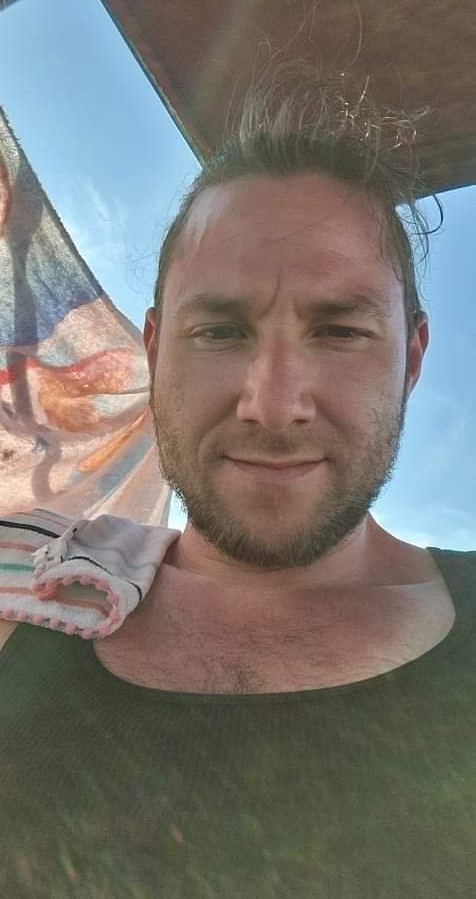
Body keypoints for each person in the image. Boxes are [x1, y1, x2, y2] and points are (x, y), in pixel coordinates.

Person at [0, 68, 474, 898]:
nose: (274, 404)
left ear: (412, 360)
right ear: (154, 352)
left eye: (340, 330)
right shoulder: (22, 591)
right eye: (220, 330)